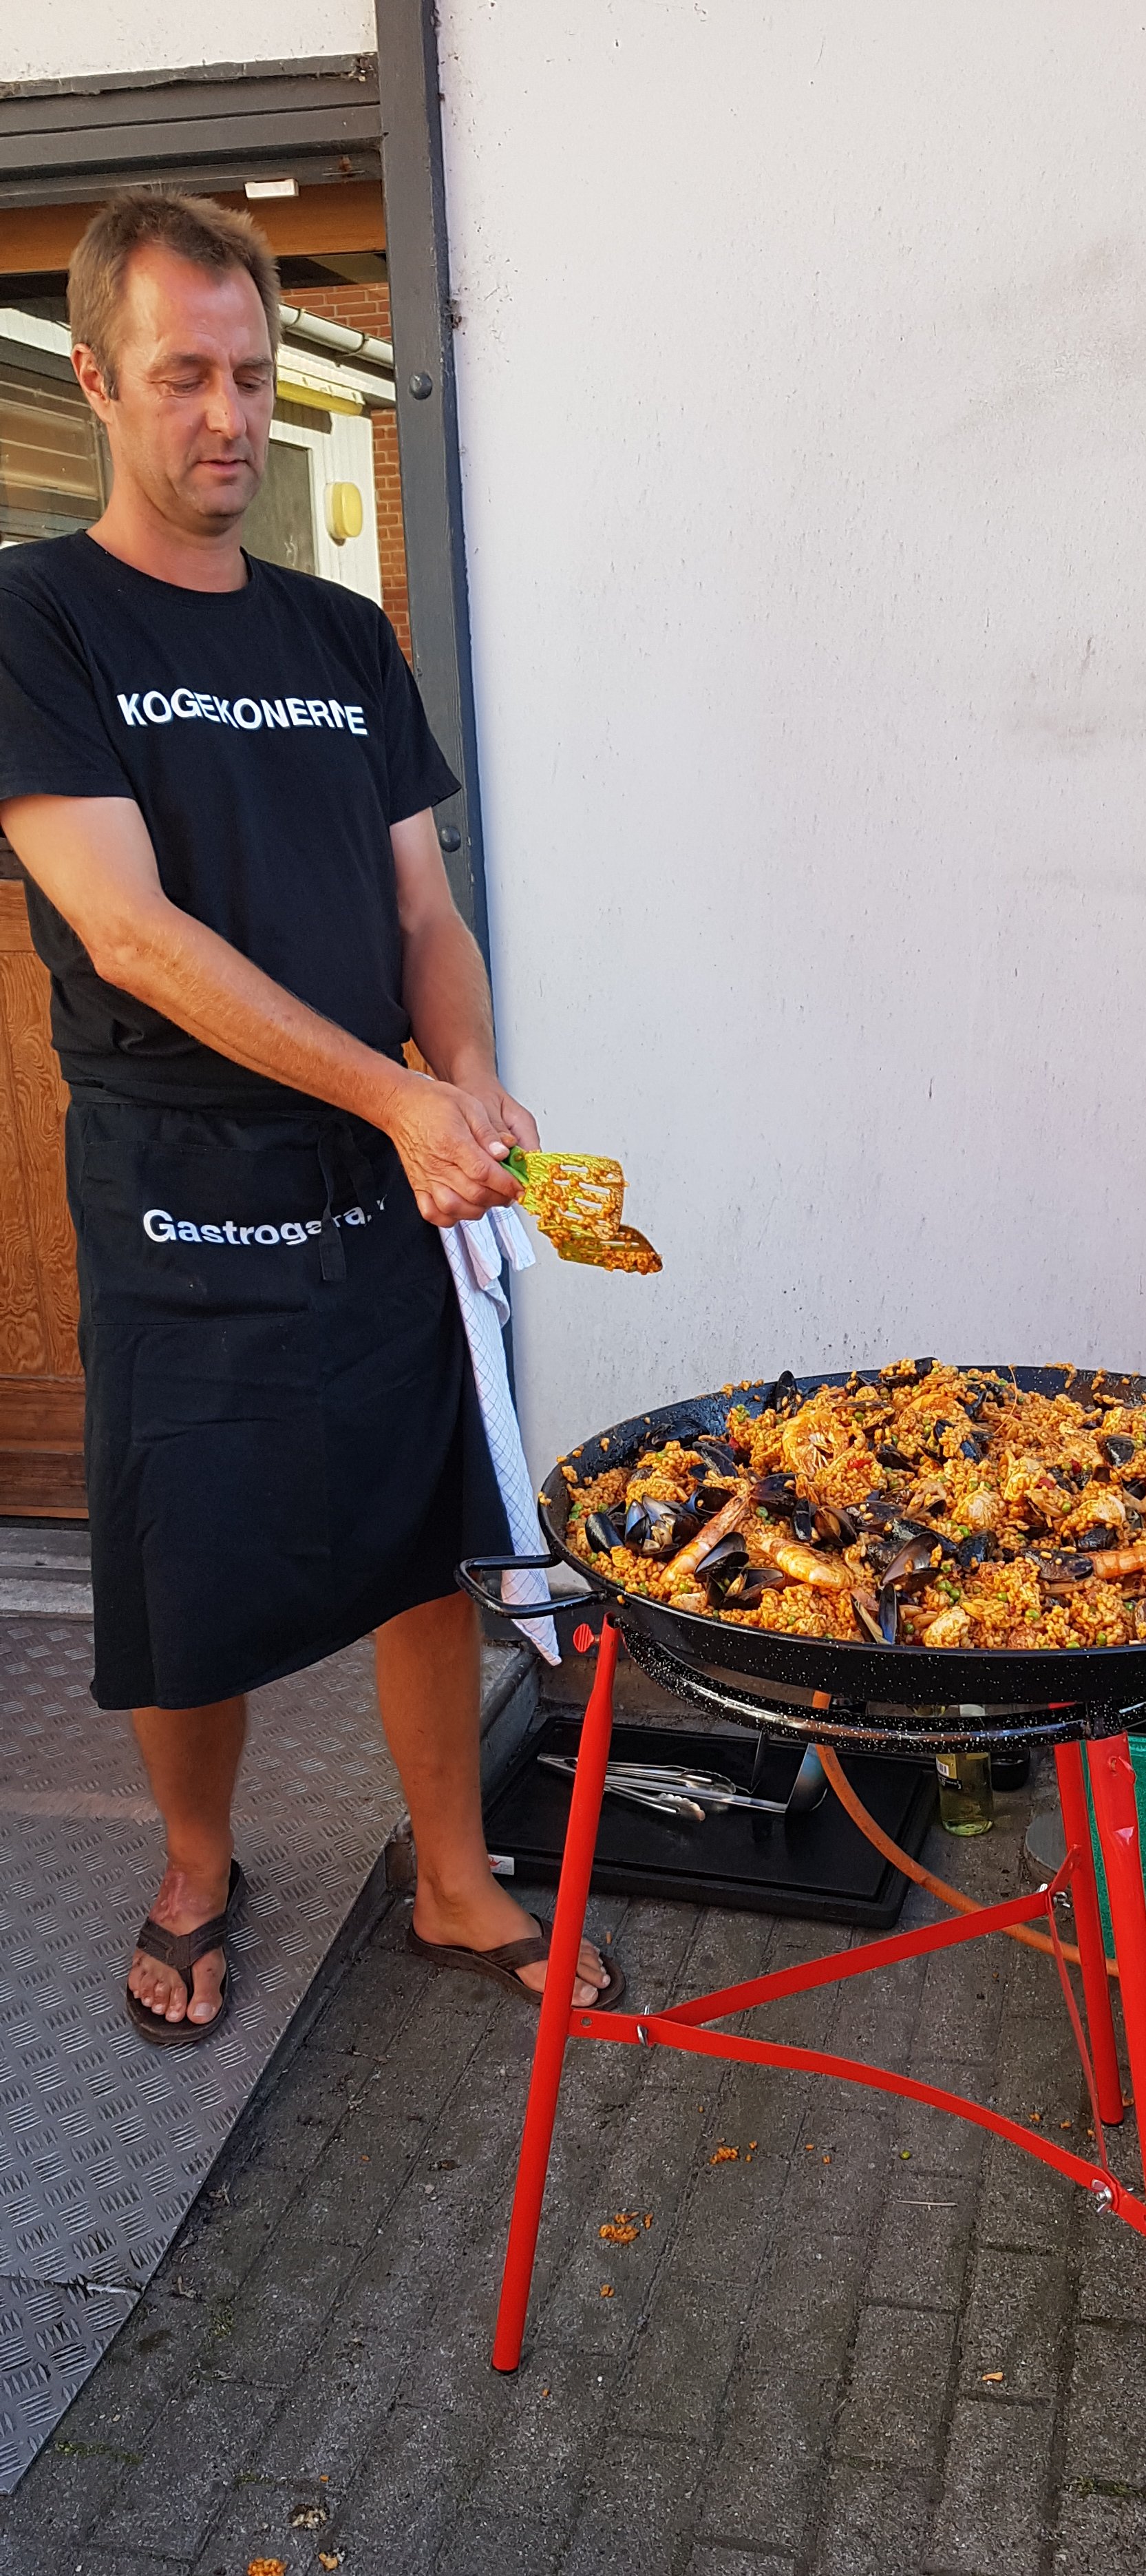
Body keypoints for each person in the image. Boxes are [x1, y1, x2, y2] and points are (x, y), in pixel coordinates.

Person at [0, 190, 615, 2039]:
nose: (225, 415)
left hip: (390, 1173)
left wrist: (470, 1075)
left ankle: (448, 1876)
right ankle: (198, 1866)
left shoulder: (341, 640)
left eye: (251, 375)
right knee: (195, 1555)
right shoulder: (41, 620)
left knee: (427, 1541)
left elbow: (425, 913)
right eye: (183, 373)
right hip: (188, 1186)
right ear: (99, 376)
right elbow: (127, 930)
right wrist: (389, 1094)